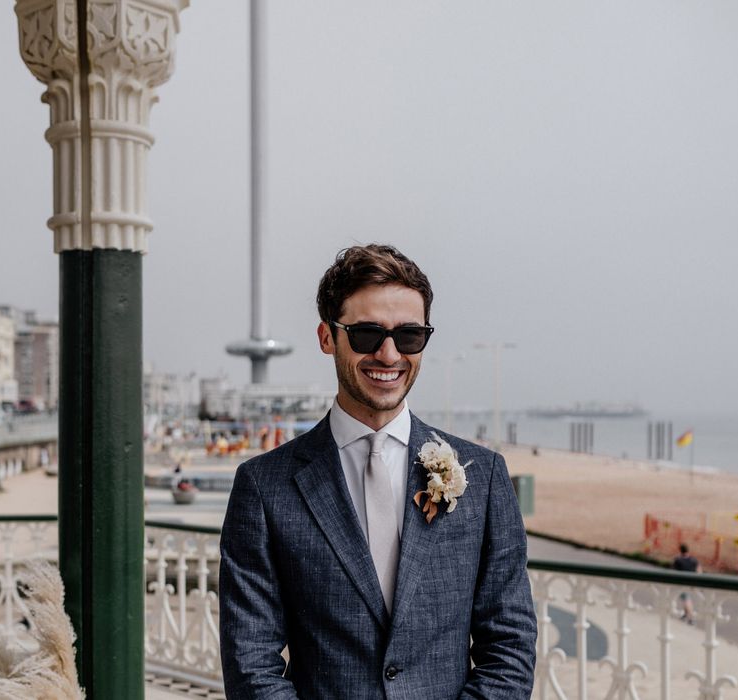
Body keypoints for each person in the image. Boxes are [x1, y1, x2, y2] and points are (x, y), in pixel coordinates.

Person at [219, 244, 537, 699]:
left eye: (409, 336)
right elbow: (251, 662)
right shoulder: (264, 486)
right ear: (328, 337)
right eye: (367, 334)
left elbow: (509, 646)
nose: (389, 355)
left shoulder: (483, 476)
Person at [673, 543, 702, 624]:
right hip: (692, 581)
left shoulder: (678, 560)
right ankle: (685, 614)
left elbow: (674, 571)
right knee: (686, 598)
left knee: (686, 600)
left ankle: (691, 618)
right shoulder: (694, 560)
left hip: (682, 582)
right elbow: (699, 570)